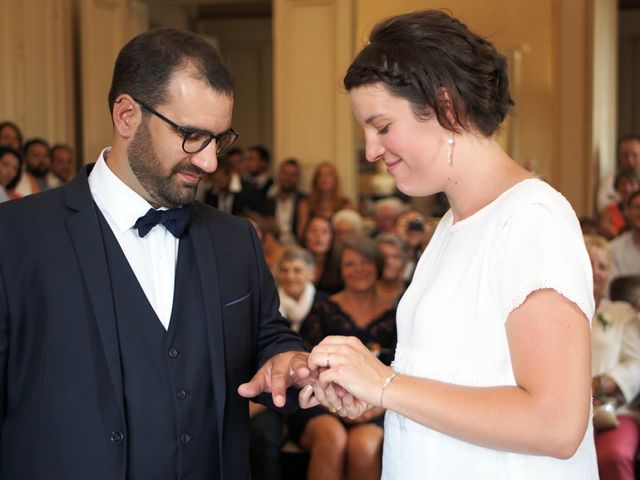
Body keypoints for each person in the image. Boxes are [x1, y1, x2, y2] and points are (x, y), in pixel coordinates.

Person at [0, 28, 310, 480]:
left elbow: (268, 338)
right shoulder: (16, 237)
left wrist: (286, 357)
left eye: (220, 140)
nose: (210, 163)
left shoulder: (235, 239)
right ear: (126, 115)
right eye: (192, 136)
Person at [301, 10, 598, 479]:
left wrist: (387, 386)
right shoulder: (450, 226)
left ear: (447, 107)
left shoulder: (531, 220)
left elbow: (556, 424)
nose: (371, 150)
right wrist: (372, 395)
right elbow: (457, 383)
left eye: (381, 126)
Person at [290, 235, 397, 480]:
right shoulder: (323, 309)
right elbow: (305, 365)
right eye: (350, 264)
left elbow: (402, 369)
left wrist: (373, 406)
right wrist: (335, 405)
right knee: (332, 439)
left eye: (365, 262)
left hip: (380, 407)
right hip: (321, 403)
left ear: (378, 265)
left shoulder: (396, 315)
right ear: (340, 269)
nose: (358, 270)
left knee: (363, 446)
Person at [585, 236, 640, 480]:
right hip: (565, 408)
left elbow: (637, 363)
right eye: (589, 261)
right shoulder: (556, 311)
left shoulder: (621, 312)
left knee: (615, 454)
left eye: (602, 266)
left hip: (613, 410)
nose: (595, 271)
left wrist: (603, 382)